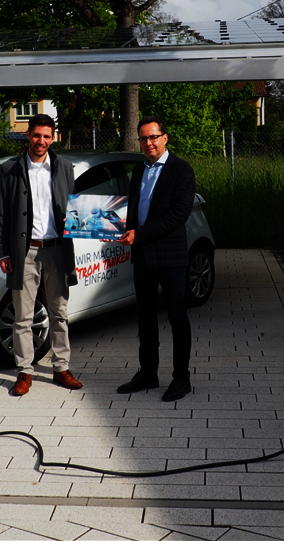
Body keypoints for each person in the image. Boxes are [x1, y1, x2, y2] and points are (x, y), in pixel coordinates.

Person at [0, 114, 83, 396]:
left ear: (53, 138)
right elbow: (2, 215)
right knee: (23, 316)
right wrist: (3, 252)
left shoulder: (64, 167)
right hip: (25, 252)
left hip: (57, 249)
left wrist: (86, 225)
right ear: (27, 135)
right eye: (36, 135)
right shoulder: (10, 168)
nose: (41, 141)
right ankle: (24, 371)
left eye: (46, 136)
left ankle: (61, 368)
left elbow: (75, 208)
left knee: (59, 313)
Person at [116, 116, 196, 401]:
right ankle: (148, 373)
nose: (148, 143)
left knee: (177, 318)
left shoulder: (181, 170)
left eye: (153, 137)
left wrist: (139, 234)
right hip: (143, 257)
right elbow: (136, 210)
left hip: (170, 257)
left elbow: (178, 215)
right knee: (145, 319)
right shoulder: (139, 170)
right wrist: (116, 228)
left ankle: (181, 378)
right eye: (143, 138)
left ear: (165, 138)